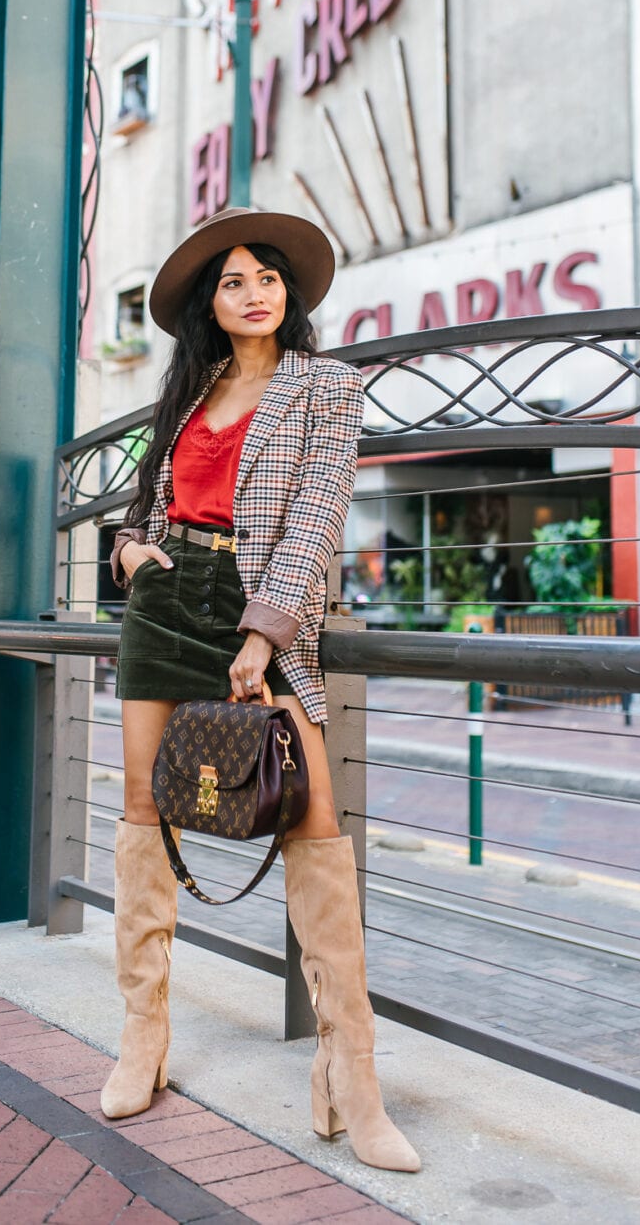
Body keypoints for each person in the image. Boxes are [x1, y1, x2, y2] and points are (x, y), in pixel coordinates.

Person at [103, 206, 420, 1174]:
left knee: (313, 821)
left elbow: (323, 506)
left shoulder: (327, 384)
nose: (252, 292)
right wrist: (131, 549)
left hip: (259, 601)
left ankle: (352, 1076)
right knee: (144, 808)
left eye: (266, 277)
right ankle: (142, 1036)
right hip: (167, 605)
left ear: (288, 294)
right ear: (213, 301)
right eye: (234, 280)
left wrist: (265, 631)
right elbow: (149, 500)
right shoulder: (188, 389)